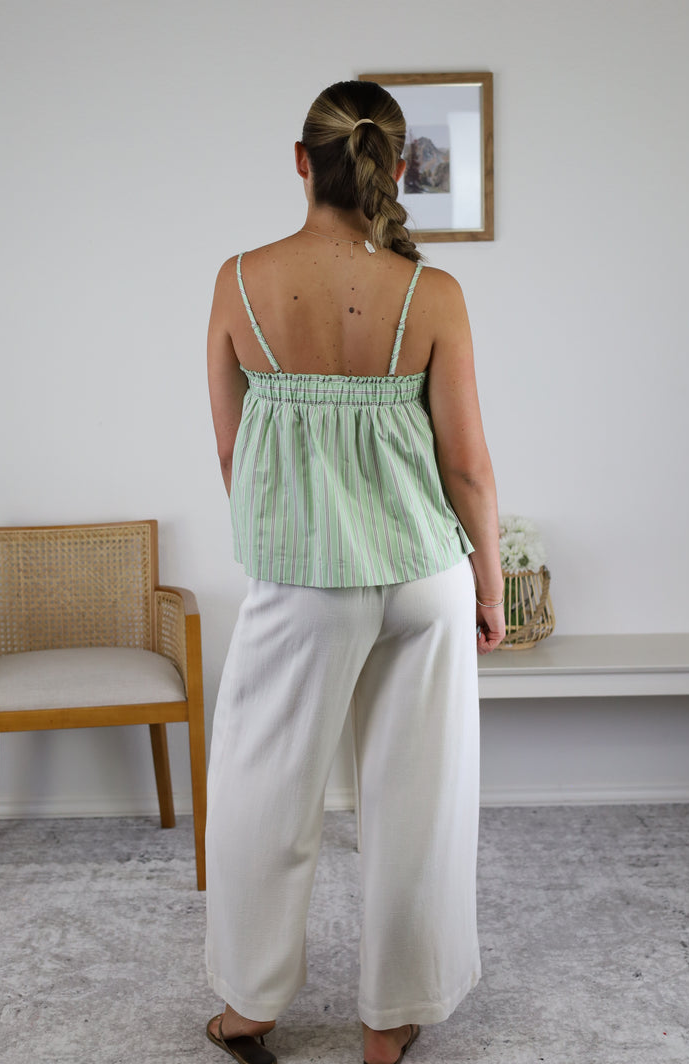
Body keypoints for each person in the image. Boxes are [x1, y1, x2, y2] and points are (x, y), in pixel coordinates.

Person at [205, 79, 505, 1064]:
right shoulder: (432, 292)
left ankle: (249, 1008)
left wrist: (294, 526)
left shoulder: (239, 280)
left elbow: (233, 453)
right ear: (396, 164)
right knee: (419, 802)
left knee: (261, 790)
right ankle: (390, 1021)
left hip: (302, 578)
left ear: (302, 160)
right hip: (424, 575)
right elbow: (467, 465)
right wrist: (490, 587)